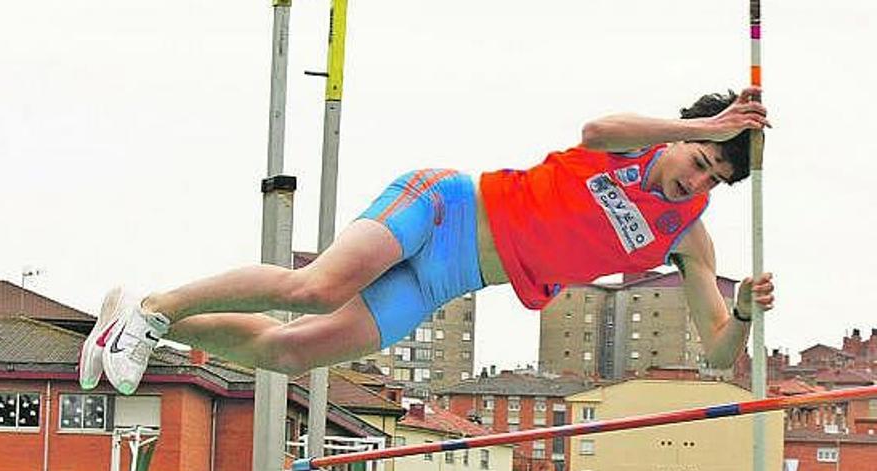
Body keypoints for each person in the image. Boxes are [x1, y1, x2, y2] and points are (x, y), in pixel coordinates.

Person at [79, 86, 775, 395]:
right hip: (445, 207)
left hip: (448, 279)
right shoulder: (630, 144)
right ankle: (156, 308)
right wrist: (718, 126)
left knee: (289, 352)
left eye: (714, 178)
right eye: (700, 158)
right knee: (316, 288)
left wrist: (742, 307)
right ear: (685, 135)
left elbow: (717, 350)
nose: (696, 180)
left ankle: (146, 321)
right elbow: (594, 130)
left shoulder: (687, 238)